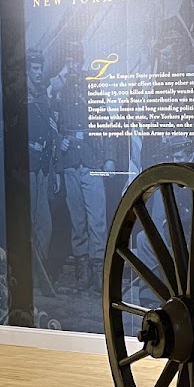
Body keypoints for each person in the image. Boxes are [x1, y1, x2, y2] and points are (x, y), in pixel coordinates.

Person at [49, 41, 112, 291]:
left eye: (76, 61)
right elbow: (50, 124)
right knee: (77, 219)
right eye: (69, 61)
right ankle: (82, 268)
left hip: (91, 158)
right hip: (70, 162)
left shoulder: (92, 86)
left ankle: (98, 269)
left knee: (97, 217)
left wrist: (109, 158)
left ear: (81, 61)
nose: (73, 66)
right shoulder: (58, 90)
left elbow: (104, 121)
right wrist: (59, 140)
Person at [26, 47, 54, 275]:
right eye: (34, 68)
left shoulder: (43, 94)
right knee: (31, 221)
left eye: (40, 68)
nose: (38, 72)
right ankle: (32, 274)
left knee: (44, 222)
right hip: (27, 167)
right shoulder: (18, 97)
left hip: (43, 167)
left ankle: (40, 270)